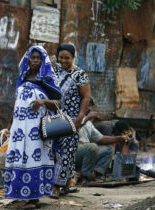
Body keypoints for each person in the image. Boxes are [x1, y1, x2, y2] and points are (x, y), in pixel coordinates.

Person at [4, 46, 61, 209]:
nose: (35, 60)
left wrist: (43, 102)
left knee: (33, 158)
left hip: (36, 128)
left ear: (43, 61)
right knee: (19, 158)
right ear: (28, 59)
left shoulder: (47, 79)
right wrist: (10, 124)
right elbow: (17, 103)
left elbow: (58, 103)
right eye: (33, 57)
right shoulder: (22, 77)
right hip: (19, 128)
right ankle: (21, 193)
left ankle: (34, 199)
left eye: (38, 58)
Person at [51, 43, 91, 198]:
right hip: (54, 117)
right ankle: (68, 180)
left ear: (73, 57)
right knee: (54, 151)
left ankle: (57, 186)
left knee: (66, 152)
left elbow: (86, 97)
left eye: (67, 58)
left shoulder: (79, 74)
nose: (63, 61)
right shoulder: (54, 70)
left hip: (71, 119)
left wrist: (80, 117)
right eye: (61, 57)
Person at [75, 98, 129, 184]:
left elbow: (101, 139)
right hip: (74, 153)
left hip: (87, 152)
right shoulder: (72, 116)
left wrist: (119, 138)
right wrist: (86, 119)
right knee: (92, 146)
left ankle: (95, 175)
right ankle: (85, 176)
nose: (89, 108)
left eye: (90, 106)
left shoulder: (89, 123)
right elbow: (73, 129)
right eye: (87, 105)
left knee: (108, 149)